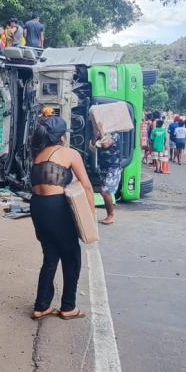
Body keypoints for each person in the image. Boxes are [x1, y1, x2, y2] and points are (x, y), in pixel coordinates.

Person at [29, 116, 94, 320]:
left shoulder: (37, 154)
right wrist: (90, 218)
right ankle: (68, 307)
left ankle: (41, 305)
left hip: (38, 205)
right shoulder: (70, 153)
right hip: (56, 206)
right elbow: (86, 185)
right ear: (62, 137)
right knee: (71, 255)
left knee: (50, 255)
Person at [95, 125, 121, 225]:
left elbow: (105, 144)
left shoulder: (115, 135)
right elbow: (94, 144)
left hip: (112, 167)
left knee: (105, 192)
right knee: (104, 192)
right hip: (104, 167)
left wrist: (101, 130)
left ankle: (110, 216)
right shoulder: (104, 135)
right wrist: (96, 133)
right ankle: (109, 215)